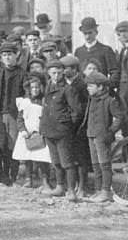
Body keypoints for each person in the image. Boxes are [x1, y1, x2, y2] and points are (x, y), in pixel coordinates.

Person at [40, 59, 80, 202]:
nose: (56, 76)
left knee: (67, 162)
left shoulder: (68, 89)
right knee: (55, 161)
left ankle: (71, 190)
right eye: (53, 73)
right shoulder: (47, 87)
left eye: (58, 72)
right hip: (48, 129)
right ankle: (60, 186)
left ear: (63, 72)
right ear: (49, 74)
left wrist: (67, 125)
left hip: (63, 131)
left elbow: (76, 111)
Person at [82, 71, 125, 202]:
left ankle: (106, 192)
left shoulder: (109, 101)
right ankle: (98, 190)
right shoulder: (92, 99)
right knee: (95, 164)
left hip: (102, 137)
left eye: (90, 86)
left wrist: (110, 131)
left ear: (100, 87)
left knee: (104, 164)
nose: (88, 88)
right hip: (91, 135)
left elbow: (120, 117)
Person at [0, 42, 25, 186]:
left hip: (14, 113)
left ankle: (12, 175)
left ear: (16, 55)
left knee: (12, 145)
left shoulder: (22, 73)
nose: (7, 58)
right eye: (4, 55)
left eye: (10, 54)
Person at [12, 74, 51, 189]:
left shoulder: (44, 101)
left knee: (42, 157)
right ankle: (29, 179)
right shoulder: (24, 102)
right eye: (33, 88)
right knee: (28, 157)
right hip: (27, 133)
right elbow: (20, 118)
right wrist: (23, 130)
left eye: (37, 87)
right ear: (29, 89)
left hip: (40, 133)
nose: (35, 90)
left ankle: (45, 180)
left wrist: (43, 130)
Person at [62, 54, 90, 198]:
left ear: (74, 69)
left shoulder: (81, 84)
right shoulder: (63, 83)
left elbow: (85, 106)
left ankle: (83, 186)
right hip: (68, 126)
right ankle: (75, 184)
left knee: (81, 157)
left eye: (66, 68)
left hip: (79, 126)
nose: (63, 71)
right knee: (71, 156)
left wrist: (76, 120)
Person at [73, 17, 118, 88]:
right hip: (83, 90)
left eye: (90, 33)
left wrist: (108, 85)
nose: (87, 36)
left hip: (100, 89)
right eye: (85, 33)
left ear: (96, 32)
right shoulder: (79, 51)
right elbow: (77, 73)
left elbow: (114, 72)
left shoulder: (105, 50)